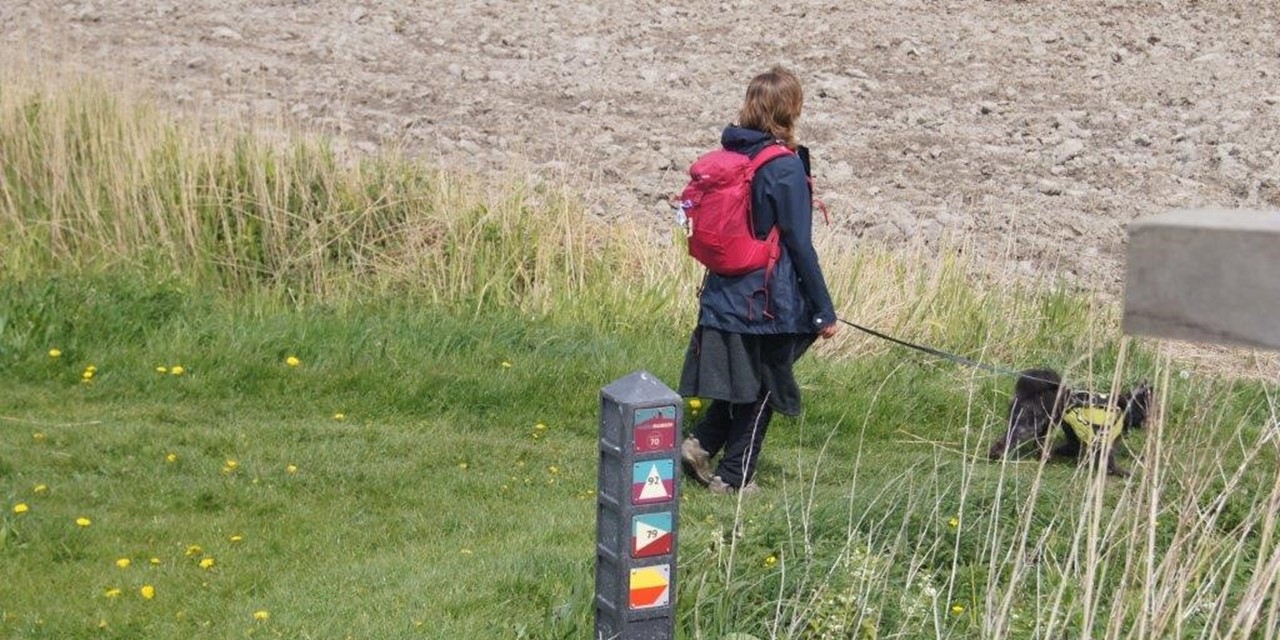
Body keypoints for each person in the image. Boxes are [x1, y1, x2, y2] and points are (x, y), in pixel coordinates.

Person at [679, 66, 840, 495]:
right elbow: (799, 246)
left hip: (725, 291)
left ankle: (701, 442)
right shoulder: (782, 167)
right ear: (791, 109)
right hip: (767, 300)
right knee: (766, 385)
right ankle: (734, 478)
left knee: (746, 383)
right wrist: (823, 309)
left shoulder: (734, 156)